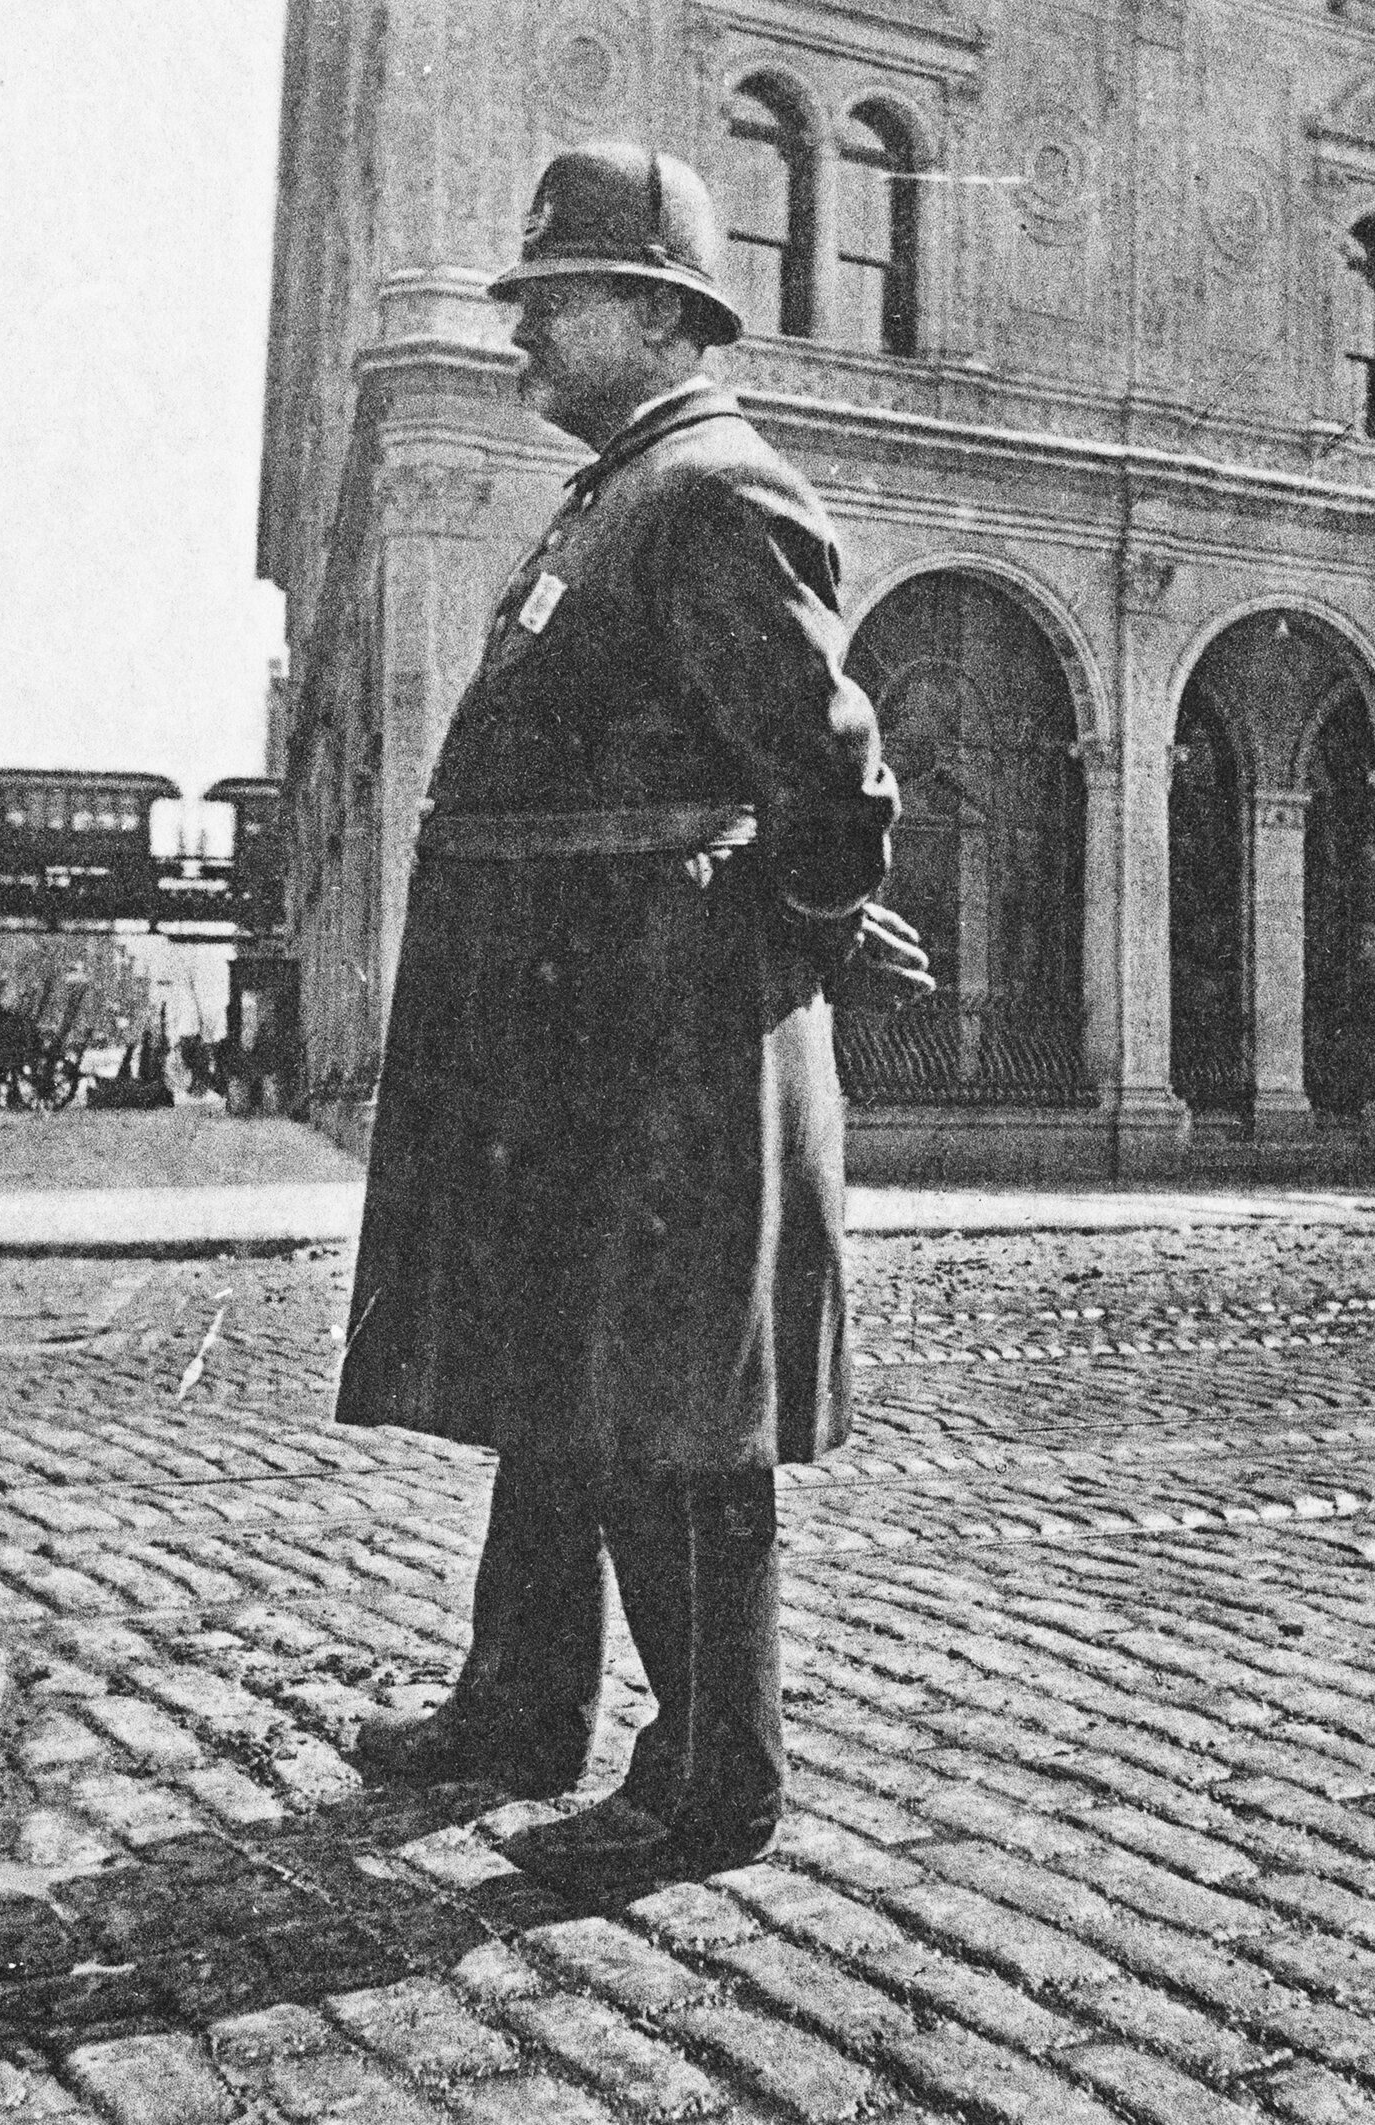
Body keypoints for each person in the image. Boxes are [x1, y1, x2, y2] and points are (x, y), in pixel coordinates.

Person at [334, 140, 929, 1879]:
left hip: (661, 1035)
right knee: (556, 1367)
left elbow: (831, 782)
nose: (521, 331)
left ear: (660, 313)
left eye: (553, 301)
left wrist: (773, 939)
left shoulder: (715, 491)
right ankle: (523, 1699)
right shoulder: (617, 489)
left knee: (675, 1401)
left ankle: (714, 1777)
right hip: (571, 1028)